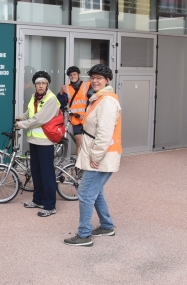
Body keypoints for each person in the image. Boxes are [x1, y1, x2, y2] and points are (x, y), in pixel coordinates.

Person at [64, 64, 121, 247]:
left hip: (101, 156)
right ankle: (106, 226)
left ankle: (84, 235)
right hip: (99, 154)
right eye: (93, 78)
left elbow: (104, 133)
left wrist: (95, 157)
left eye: (100, 78)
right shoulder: (98, 99)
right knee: (96, 192)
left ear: (107, 81)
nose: (95, 81)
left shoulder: (107, 101)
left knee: (86, 192)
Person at [15, 71, 60, 217]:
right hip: (33, 140)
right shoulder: (35, 96)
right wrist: (21, 117)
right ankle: (38, 200)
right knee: (36, 172)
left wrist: (21, 124)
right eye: (38, 83)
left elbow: (40, 119)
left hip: (46, 141)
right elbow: (31, 112)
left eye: (43, 83)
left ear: (47, 84)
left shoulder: (51, 99)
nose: (40, 85)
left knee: (47, 174)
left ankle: (50, 205)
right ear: (35, 85)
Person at [58, 66, 92, 155]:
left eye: (74, 74)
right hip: (76, 120)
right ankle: (79, 165)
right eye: (70, 75)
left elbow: (93, 101)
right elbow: (62, 104)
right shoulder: (66, 88)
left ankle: (88, 163)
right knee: (79, 143)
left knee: (89, 143)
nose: (73, 76)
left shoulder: (87, 85)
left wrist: (87, 114)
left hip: (87, 119)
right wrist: (61, 94)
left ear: (79, 75)